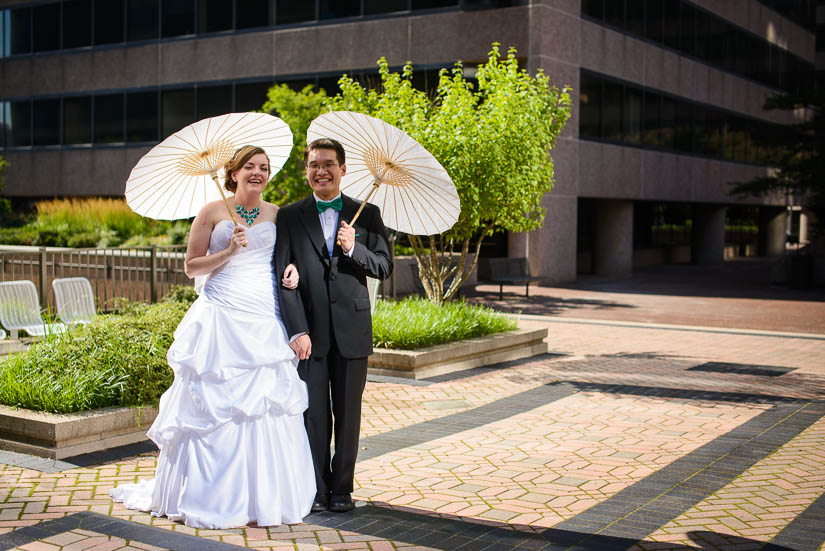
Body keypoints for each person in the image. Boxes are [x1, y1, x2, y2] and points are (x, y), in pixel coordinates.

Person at [110, 145, 315, 528]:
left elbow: (287, 259)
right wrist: (228, 252)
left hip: (264, 316)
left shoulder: (277, 215)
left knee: (266, 404)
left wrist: (293, 272)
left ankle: (265, 498)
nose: (258, 173)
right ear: (233, 172)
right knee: (213, 403)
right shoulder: (210, 212)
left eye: (264, 168)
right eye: (250, 167)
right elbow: (191, 267)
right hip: (221, 314)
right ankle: (213, 496)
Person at [276, 138, 393, 513]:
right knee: (312, 416)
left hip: (352, 332)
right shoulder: (290, 216)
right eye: (313, 165)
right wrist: (297, 330)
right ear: (306, 170)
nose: (320, 171)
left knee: (347, 415)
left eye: (328, 164)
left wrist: (352, 249)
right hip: (309, 335)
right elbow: (281, 275)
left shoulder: (368, 214)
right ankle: (317, 488)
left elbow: (384, 266)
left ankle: (342, 489)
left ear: (343, 170)